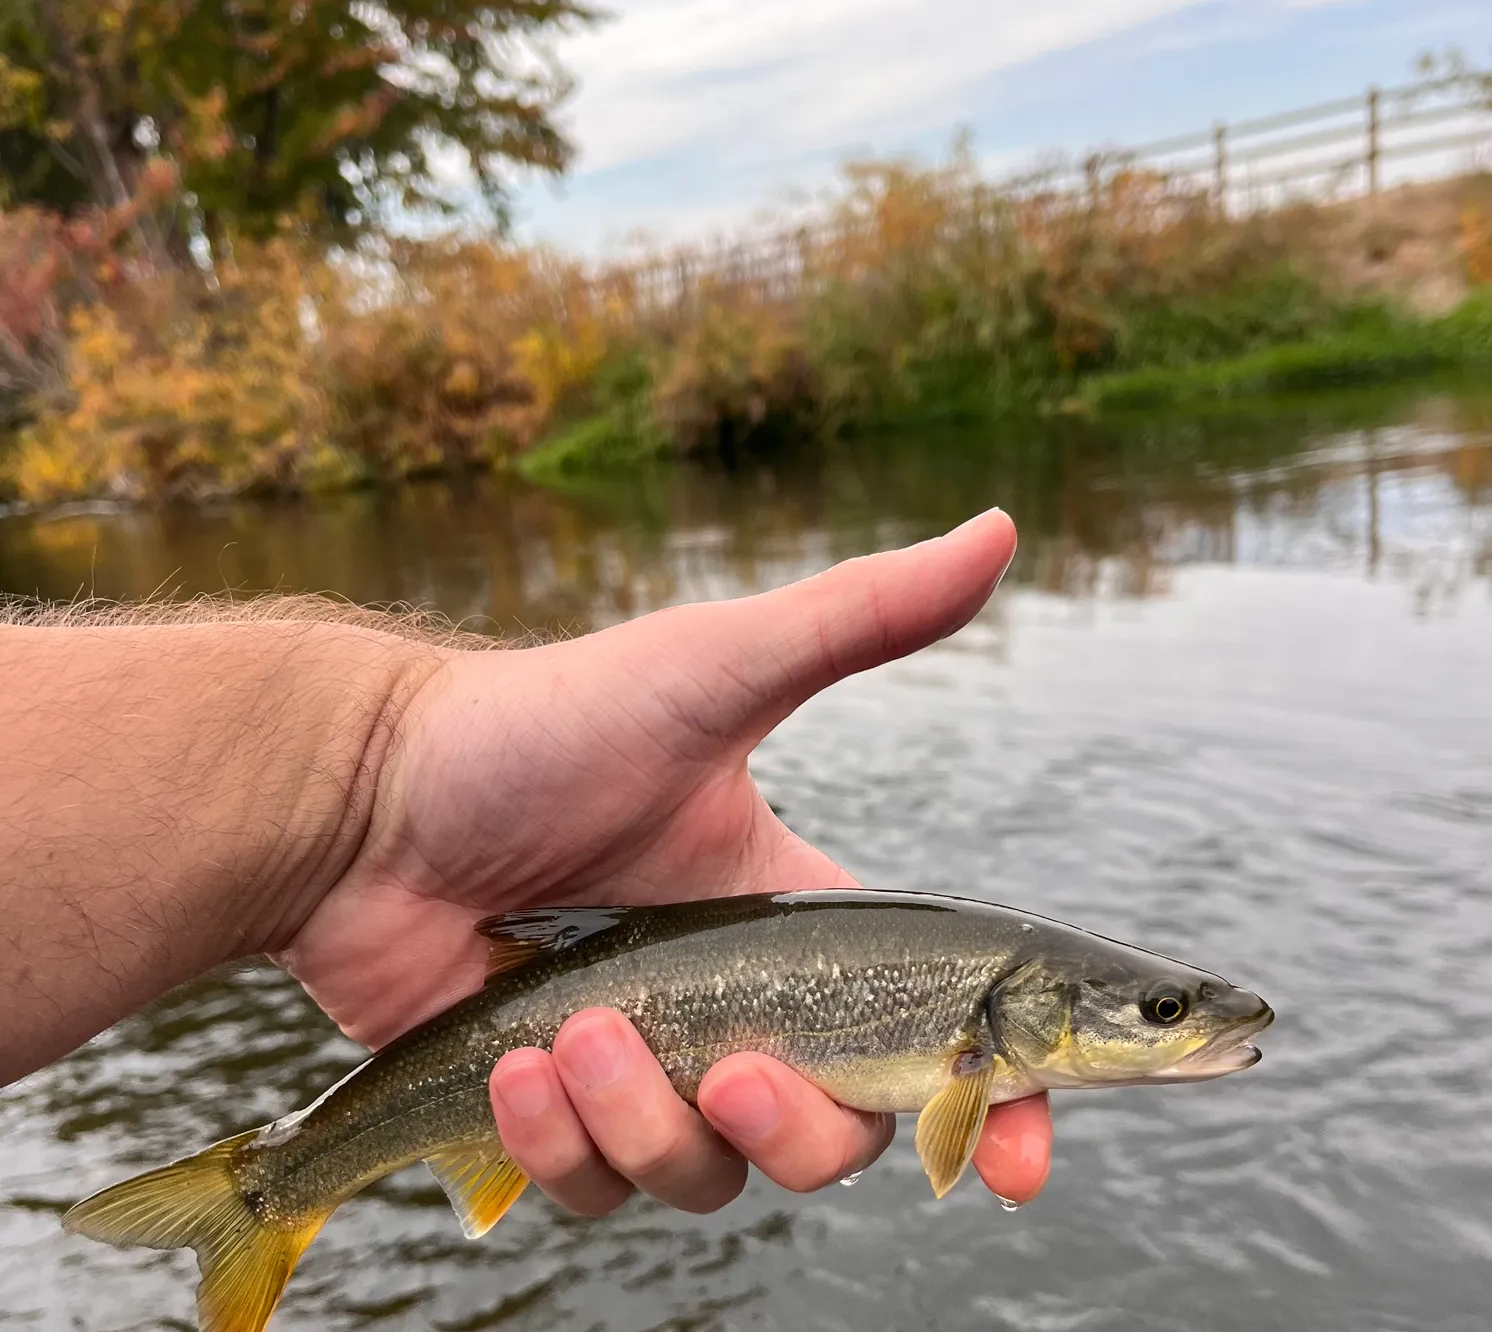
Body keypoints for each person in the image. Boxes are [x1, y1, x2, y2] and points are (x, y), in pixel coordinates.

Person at [0, 509, 1050, 1215]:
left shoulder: (993, 1013)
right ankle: (275, 1186)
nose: (1182, 1026)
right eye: (1159, 1014)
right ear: (1013, 1019)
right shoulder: (985, 1019)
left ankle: (283, 1180)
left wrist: (364, 793)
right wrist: (364, 784)